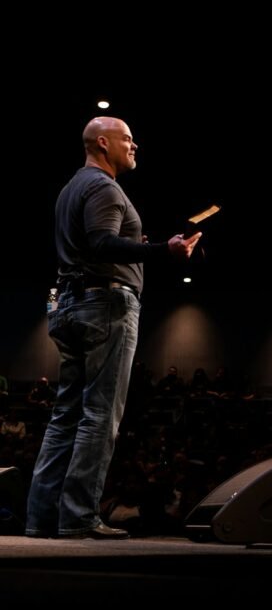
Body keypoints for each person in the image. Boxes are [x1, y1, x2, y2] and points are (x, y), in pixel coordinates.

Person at [25, 116, 201, 539]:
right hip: (105, 305)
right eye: (128, 139)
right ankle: (79, 517)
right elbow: (102, 242)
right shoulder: (104, 187)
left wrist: (134, 249)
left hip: (72, 303)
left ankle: (43, 517)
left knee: (66, 414)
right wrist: (164, 250)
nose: (135, 145)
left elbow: (94, 244)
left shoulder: (72, 188)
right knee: (100, 415)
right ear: (103, 144)